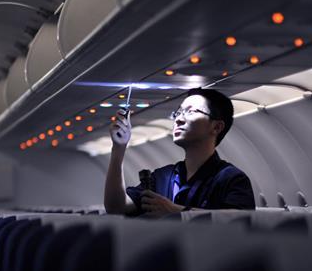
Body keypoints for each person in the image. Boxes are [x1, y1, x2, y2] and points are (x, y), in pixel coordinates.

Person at [104, 87, 255, 215]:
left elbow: (237, 223)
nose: (178, 119)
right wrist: (118, 148)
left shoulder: (232, 180)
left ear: (216, 127)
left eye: (190, 112)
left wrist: (175, 211)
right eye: (178, 112)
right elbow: (116, 207)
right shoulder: (162, 177)